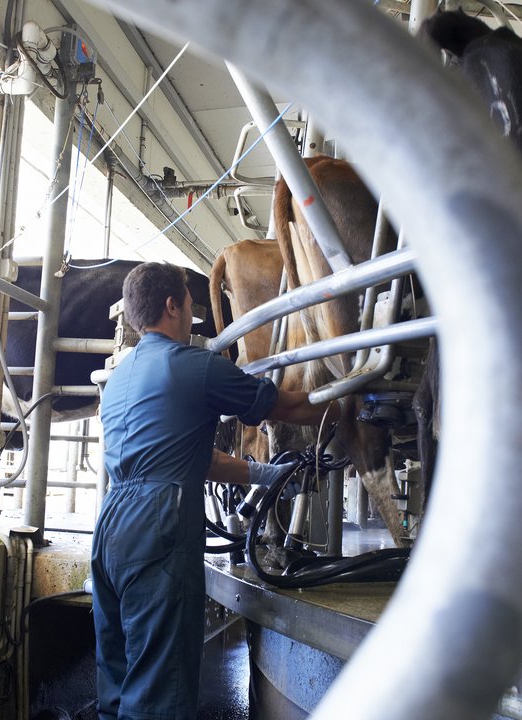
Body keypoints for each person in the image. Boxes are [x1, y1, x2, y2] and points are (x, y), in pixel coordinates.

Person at [91, 261, 339, 719]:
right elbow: (284, 407)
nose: (193, 316)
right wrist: (345, 400)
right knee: (159, 685)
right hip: (158, 525)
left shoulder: (121, 378)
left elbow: (194, 458)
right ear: (172, 305)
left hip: (110, 525)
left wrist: (264, 475)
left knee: (118, 671)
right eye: (190, 304)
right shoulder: (194, 366)